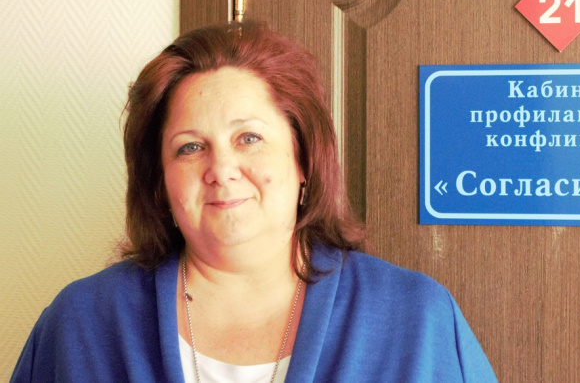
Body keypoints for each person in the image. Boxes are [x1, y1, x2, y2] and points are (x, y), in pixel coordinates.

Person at [11, 21, 496, 382]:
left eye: (248, 138)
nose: (221, 168)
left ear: (303, 159)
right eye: (190, 147)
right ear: (160, 183)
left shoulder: (419, 320)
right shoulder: (80, 324)